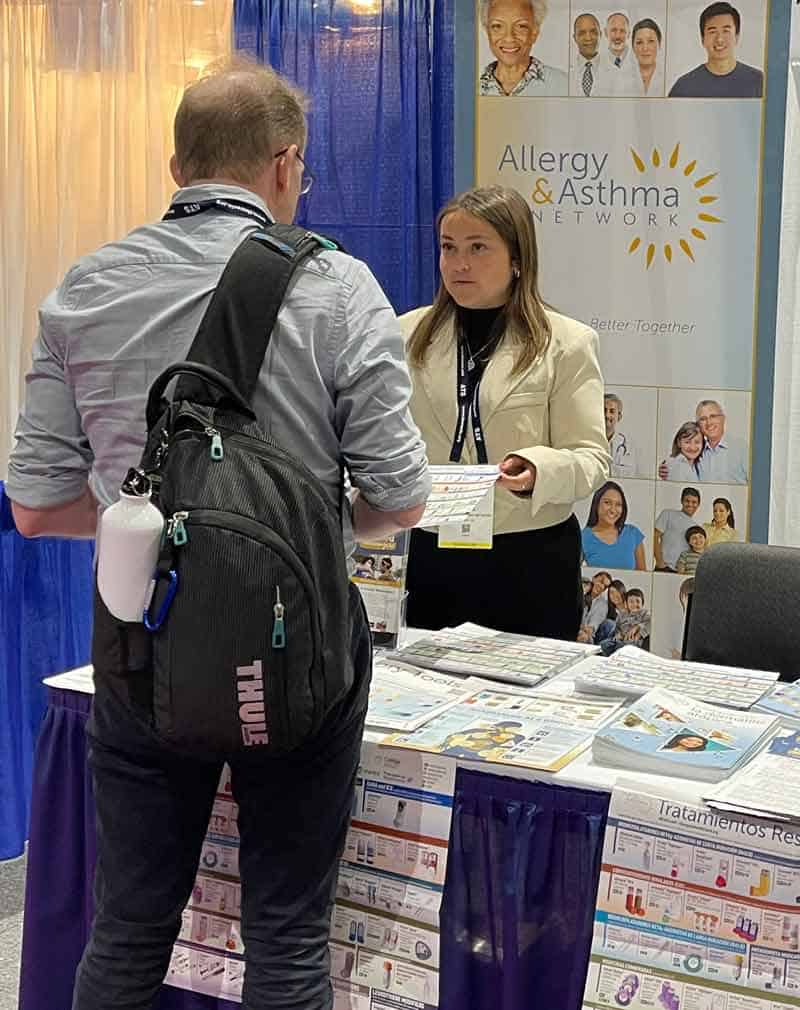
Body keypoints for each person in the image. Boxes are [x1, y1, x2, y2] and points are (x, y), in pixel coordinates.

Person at [7, 59, 431, 1010]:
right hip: (298, 658)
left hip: (140, 650)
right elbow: (401, 498)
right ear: (286, 165)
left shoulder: (85, 287)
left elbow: (33, 505)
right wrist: (298, 530)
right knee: (285, 940)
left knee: (124, 936)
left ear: (175, 165)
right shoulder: (337, 287)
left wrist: (149, 530)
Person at [399, 185, 609, 639]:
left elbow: (592, 458)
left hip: (530, 562)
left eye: (478, 248)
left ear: (517, 260)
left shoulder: (567, 343)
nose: (459, 264)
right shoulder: (403, 335)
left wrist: (538, 468)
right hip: (432, 554)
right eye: (449, 248)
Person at [668, 2, 763, 99]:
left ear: (737, 37)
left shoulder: (759, 81)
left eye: (726, 31)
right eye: (712, 32)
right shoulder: (683, 87)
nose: (719, 39)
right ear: (702, 39)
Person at [479, 0, 568, 97]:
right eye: (497, 26)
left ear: (534, 33)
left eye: (521, 26)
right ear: (487, 32)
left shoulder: (563, 85)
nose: (509, 38)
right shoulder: (470, 85)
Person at [581, 480, 646, 571]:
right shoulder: (583, 537)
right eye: (607, 502)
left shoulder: (633, 534)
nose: (613, 510)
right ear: (596, 504)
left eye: (618, 504)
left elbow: (643, 578)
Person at [694, 399, 748, 483]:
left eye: (713, 416)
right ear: (698, 425)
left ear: (723, 418)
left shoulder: (742, 448)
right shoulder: (695, 451)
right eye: (703, 419)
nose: (709, 423)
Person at [654, 487, 702, 572]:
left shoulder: (696, 528)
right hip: (664, 567)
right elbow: (654, 536)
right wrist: (659, 561)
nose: (690, 504)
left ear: (698, 504)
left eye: (694, 502)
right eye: (687, 501)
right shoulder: (668, 514)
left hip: (683, 571)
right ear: (681, 501)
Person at [599, 588, 651, 655]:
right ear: (626, 604)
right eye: (631, 602)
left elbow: (651, 623)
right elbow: (617, 627)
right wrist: (618, 634)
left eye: (638, 601)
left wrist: (638, 627)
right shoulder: (622, 615)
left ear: (642, 603)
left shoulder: (644, 613)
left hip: (634, 641)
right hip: (620, 639)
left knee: (621, 647)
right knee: (603, 644)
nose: (635, 604)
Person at [603, 11, 641, 95]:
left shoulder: (639, 60)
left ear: (629, 34)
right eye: (613, 30)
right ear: (605, 32)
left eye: (622, 31)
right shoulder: (597, 63)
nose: (618, 36)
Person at [605, 392, 641, 478]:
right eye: (604, 410)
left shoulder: (628, 444)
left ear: (619, 416)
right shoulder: (589, 441)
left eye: (612, 411)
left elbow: (630, 473)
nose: (607, 415)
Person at [571, 12, 606, 97]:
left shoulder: (615, 71)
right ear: (575, 37)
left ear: (600, 35)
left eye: (593, 32)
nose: (588, 38)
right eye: (582, 33)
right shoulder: (564, 72)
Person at [631, 17, 665, 97]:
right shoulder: (620, 79)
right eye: (639, 42)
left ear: (659, 44)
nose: (645, 48)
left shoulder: (669, 79)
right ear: (633, 47)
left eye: (650, 41)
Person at [578, 570, 612, 643]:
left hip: (585, 635)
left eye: (605, 586)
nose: (601, 586)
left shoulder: (603, 605)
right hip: (568, 626)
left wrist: (580, 628)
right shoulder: (581, 589)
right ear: (593, 579)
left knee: (585, 637)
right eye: (601, 581)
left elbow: (590, 629)